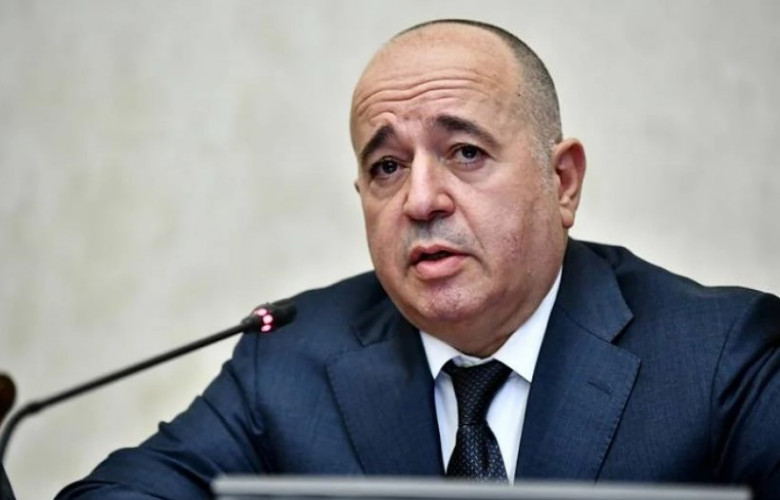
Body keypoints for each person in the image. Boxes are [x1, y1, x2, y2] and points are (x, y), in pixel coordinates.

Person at [57, 19, 780, 499]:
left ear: (562, 182)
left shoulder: (722, 356)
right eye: (387, 167)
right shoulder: (286, 362)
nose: (421, 199)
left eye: (465, 152)